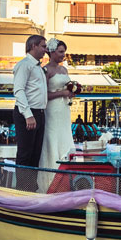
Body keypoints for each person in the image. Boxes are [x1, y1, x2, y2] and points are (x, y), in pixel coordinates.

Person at [38, 38, 76, 192]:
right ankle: (51, 181)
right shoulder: (46, 70)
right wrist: (63, 93)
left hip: (64, 110)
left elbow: (67, 88)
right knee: (52, 140)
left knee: (65, 137)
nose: (63, 55)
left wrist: (71, 92)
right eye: (61, 52)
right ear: (51, 52)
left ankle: (66, 180)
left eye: (64, 52)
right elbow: (43, 95)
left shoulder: (64, 70)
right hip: (52, 110)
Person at [13, 34, 49, 191]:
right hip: (28, 113)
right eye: (43, 46)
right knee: (25, 153)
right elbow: (19, 90)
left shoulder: (38, 67)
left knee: (36, 153)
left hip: (39, 112)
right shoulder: (24, 65)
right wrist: (28, 115)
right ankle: (22, 188)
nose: (45, 50)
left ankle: (31, 187)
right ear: (33, 46)